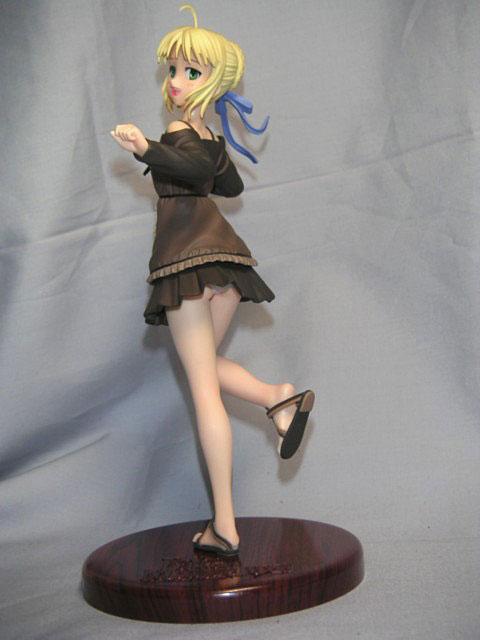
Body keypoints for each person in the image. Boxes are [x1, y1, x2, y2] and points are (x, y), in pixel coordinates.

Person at [111, 5, 314, 556]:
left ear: (213, 80)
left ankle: (224, 526)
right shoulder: (204, 132)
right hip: (224, 262)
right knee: (207, 369)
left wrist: (147, 149)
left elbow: (200, 174)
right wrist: (203, 150)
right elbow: (228, 187)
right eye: (173, 70)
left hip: (187, 263)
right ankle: (277, 398)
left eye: (191, 72)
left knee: (204, 392)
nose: (176, 81)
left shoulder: (182, 129)